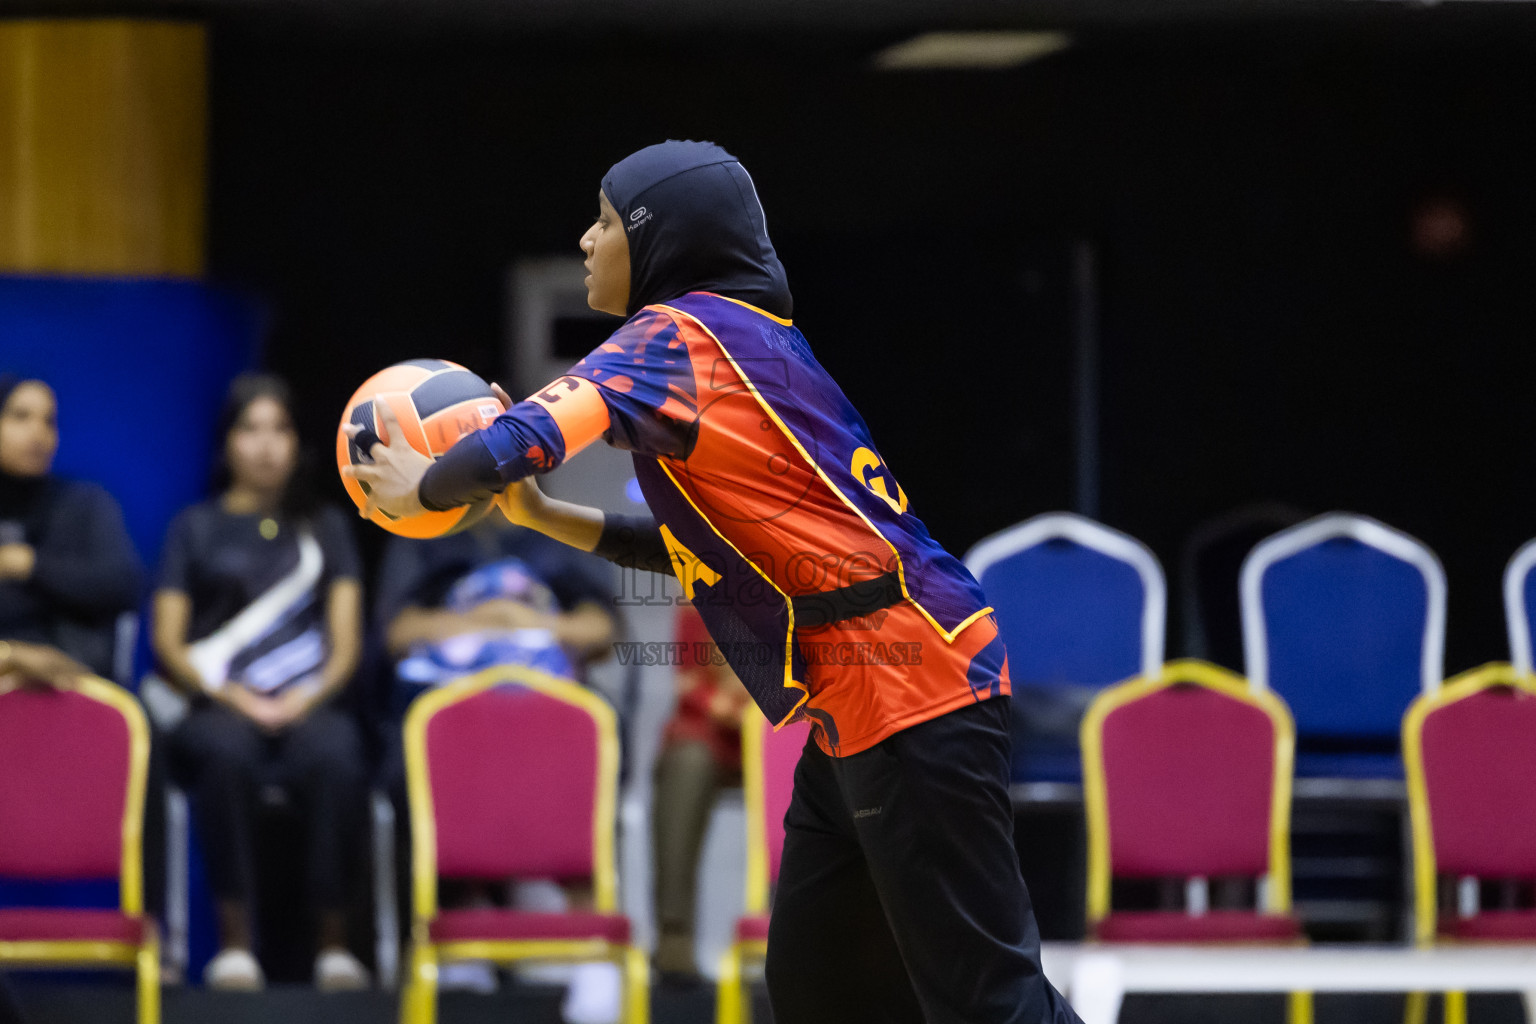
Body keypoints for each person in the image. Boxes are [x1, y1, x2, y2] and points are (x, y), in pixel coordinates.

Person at [346, 141, 1081, 1024]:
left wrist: (420, 486)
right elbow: (701, 556)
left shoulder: (675, 336)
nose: (585, 240)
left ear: (664, 240)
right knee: (820, 987)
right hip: (867, 695)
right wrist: (544, 518)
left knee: (988, 1001)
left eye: (607, 220)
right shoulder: (737, 338)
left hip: (912, 684)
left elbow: (516, 442)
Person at [152, 374, 370, 992]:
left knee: (338, 755)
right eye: (251, 429)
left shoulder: (327, 525)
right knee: (223, 753)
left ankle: (334, 945)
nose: (267, 445)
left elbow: (346, 638)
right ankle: (235, 945)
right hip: (221, 703)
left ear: (298, 442)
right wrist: (233, 698)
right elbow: (168, 641)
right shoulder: (193, 527)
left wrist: (308, 696)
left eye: (281, 429)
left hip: (310, 702)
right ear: (227, 444)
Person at [0, 375, 143, 679]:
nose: (38, 433)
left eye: (49, 421)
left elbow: (123, 584)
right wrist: (11, 654)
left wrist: (30, 565)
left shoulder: (86, 504)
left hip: (71, 681)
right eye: (20, 416)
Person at [650, 603, 749, 984]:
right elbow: (690, 683)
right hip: (713, 730)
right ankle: (674, 938)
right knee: (685, 762)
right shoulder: (699, 597)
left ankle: (804, 929)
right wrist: (722, 706)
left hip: (787, 727)